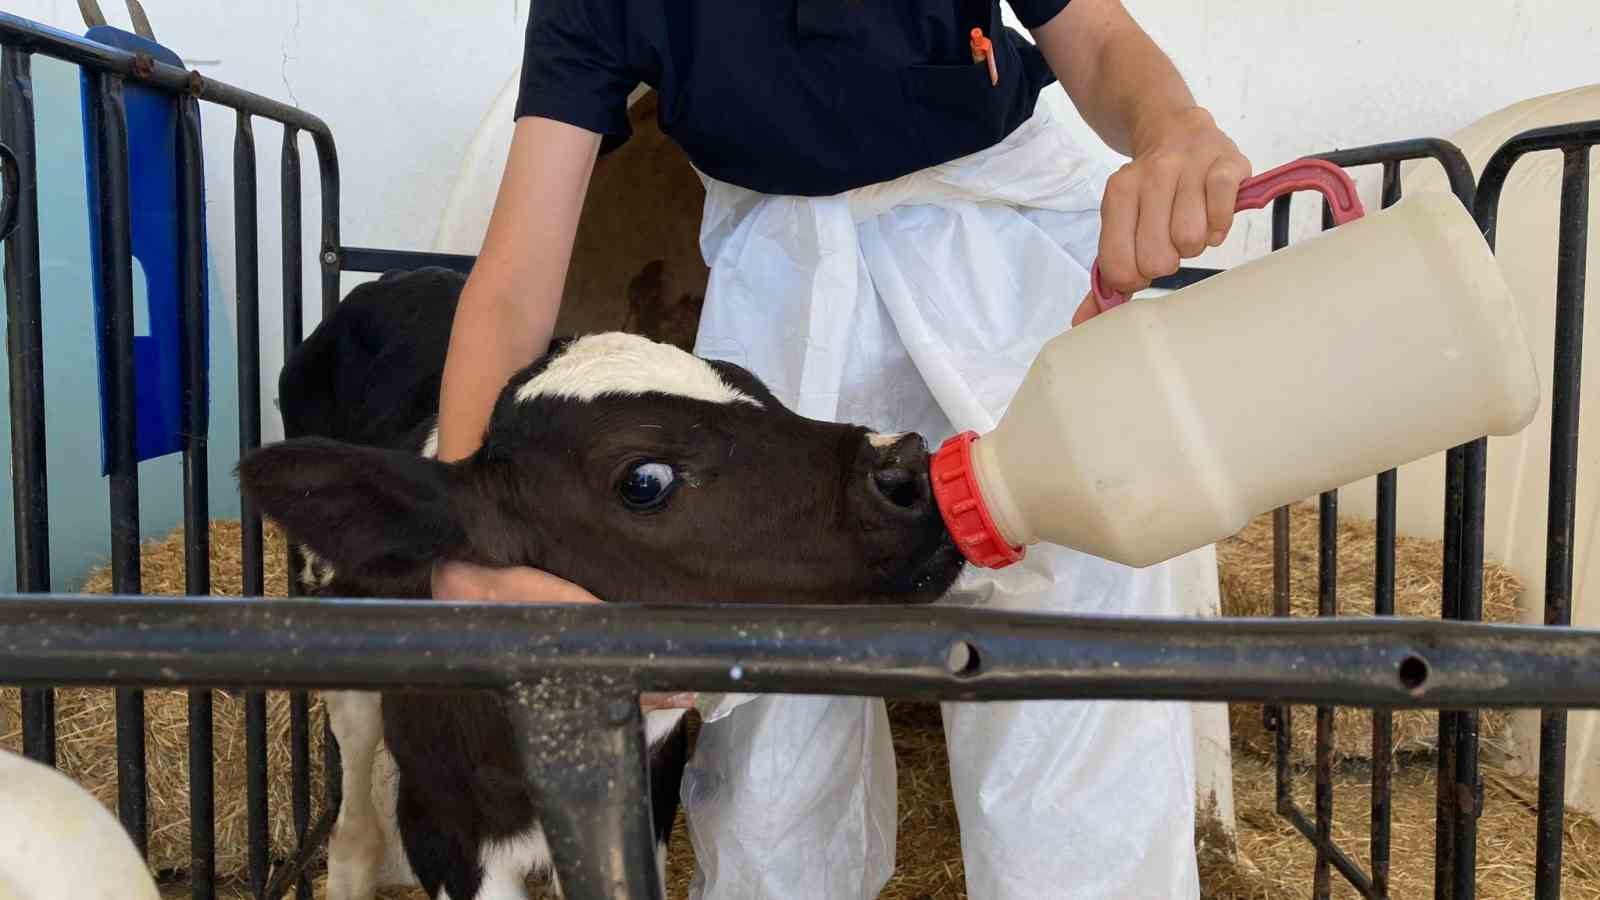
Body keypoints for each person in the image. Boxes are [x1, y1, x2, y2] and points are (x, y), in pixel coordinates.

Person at [430, 2, 1248, 898]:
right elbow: (514, 281)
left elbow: (1092, 36)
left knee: (1080, 644)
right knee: (774, 713)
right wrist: (465, 534)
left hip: (1001, 258)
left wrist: (1175, 130)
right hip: (787, 289)